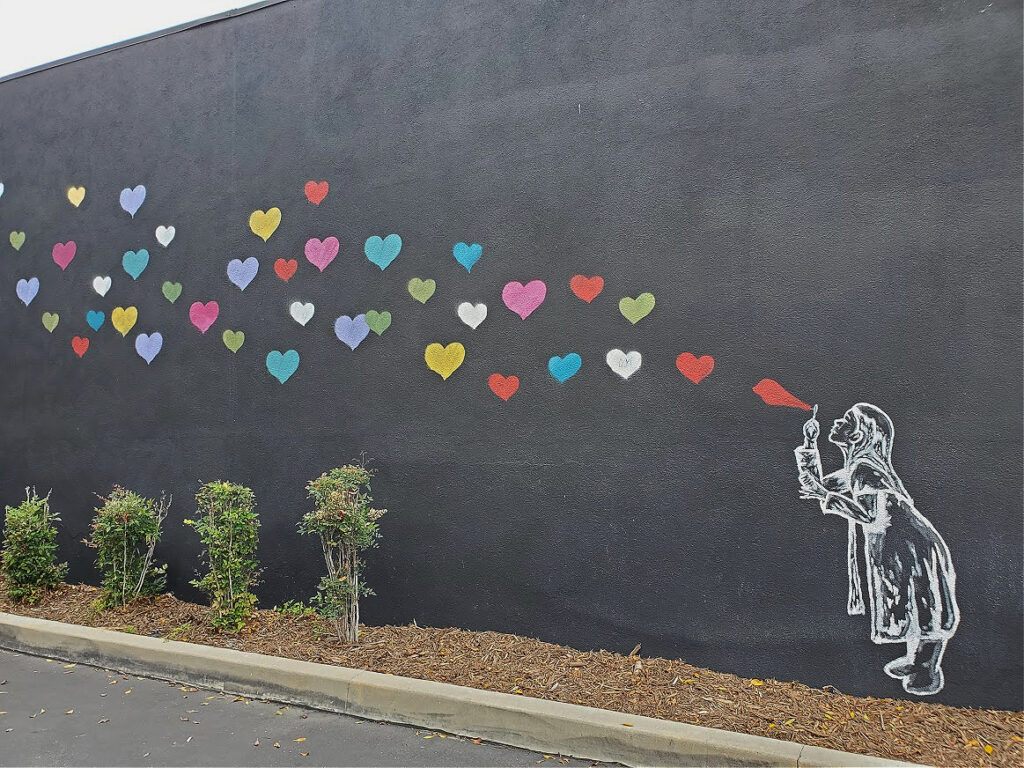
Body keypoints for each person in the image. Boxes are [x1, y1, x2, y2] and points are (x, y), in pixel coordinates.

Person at [795, 403, 959, 695]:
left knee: (924, 602)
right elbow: (816, 484)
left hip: (910, 544)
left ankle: (926, 670)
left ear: (858, 434)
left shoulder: (864, 469)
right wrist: (809, 444)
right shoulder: (858, 467)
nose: (836, 422)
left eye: (846, 420)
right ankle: (916, 661)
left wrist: (826, 496)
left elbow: (869, 514)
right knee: (915, 601)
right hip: (900, 543)